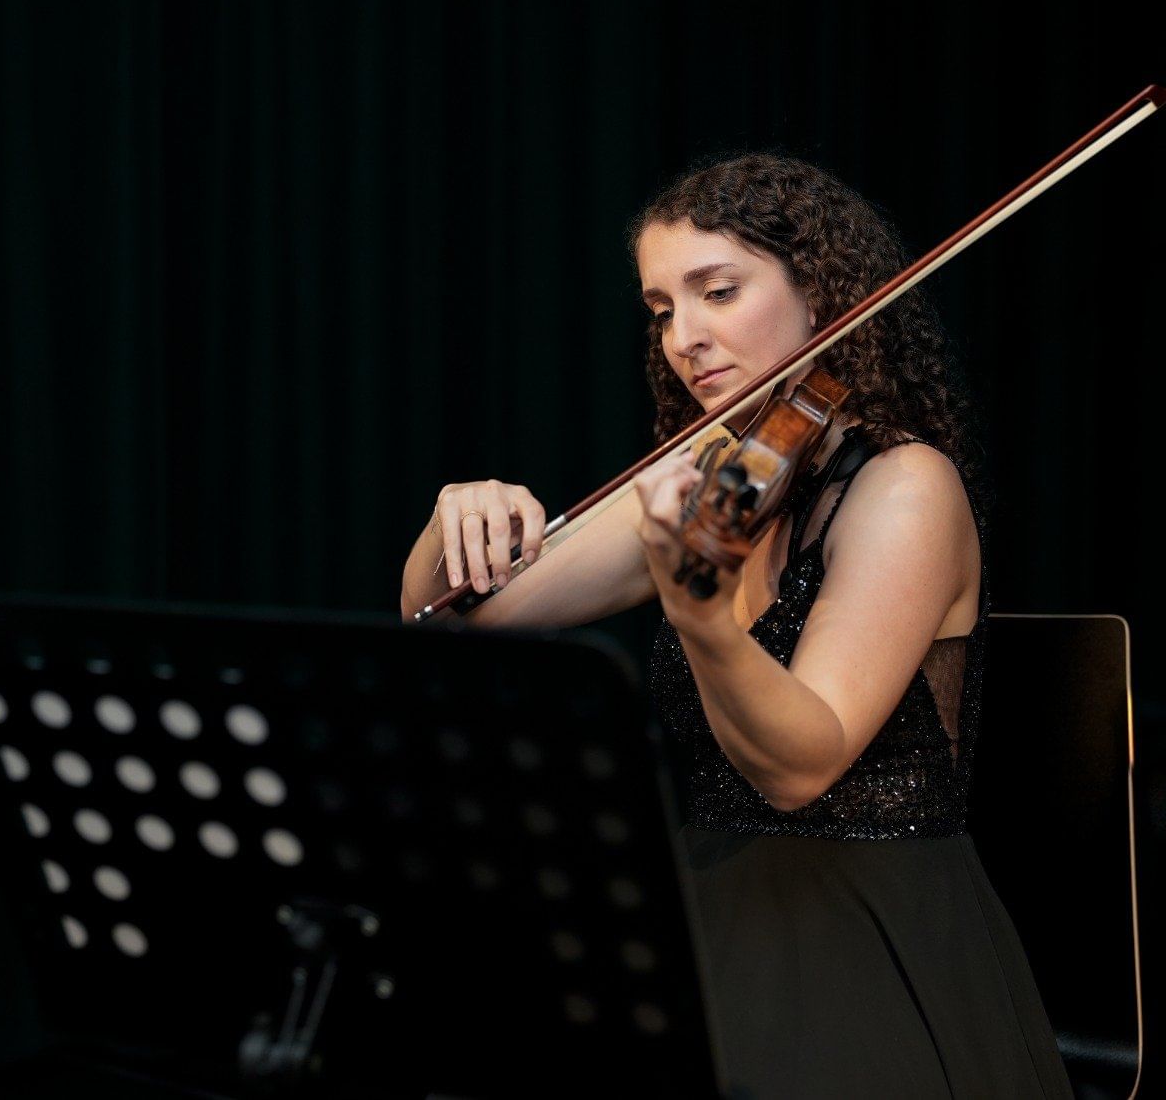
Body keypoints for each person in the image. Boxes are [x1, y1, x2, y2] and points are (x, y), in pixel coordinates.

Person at [399, 154, 1072, 1099]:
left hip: (867, 938)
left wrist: (702, 617)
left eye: (718, 291)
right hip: (712, 916)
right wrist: (452, 518)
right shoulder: (731, 479)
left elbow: (800, 765)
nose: (687, 337)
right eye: (663, 309)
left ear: (820, 292)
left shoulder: (906, 486)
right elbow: (462, 622)